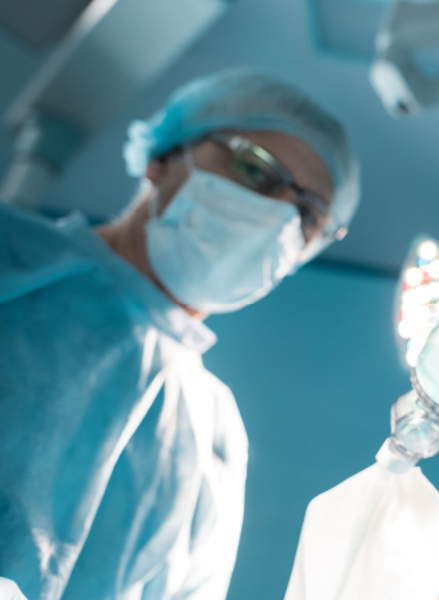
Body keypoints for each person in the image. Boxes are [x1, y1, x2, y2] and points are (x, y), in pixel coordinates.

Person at [0, 70, 359, 600]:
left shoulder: (214, 436)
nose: (278, 214)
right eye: (255, 169)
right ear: (163, 159)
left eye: (308, 216)